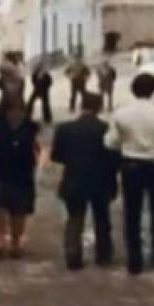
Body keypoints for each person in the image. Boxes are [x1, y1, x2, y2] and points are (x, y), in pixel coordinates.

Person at [105, 73, 154, 275]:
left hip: (131, 165)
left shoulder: (121, 114)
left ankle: (134, 258)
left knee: (132, 212)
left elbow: (111, 142)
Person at [52, 92, 121, 271]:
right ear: (99, 107)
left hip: (74, 179)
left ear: (82, 106)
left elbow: (57, 156)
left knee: (74, 219)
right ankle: (103, 255)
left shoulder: (65, 129)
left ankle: (73, 256)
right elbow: (115, 158)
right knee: (102, 218)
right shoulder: (106, 129)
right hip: (101, 180)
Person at [0, 97, 43, 260]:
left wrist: (40, 166)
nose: (16, 113)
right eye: (13, 110)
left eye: (19, 110)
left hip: (23, 172)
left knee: (19, 210)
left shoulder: (31, 127)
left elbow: (39, 147)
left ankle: (16, 242)